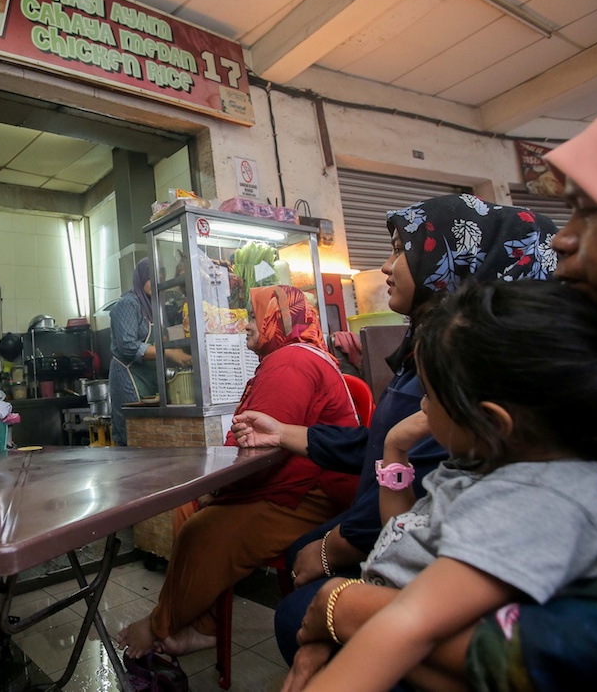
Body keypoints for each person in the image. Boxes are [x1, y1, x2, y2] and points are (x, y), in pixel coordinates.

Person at [284, 77, 597, 692]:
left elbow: (542, 650)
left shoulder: (514, 396)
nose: (562, 238)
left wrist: (336, 604)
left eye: (591, 211)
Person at [230, 194, 559, 668]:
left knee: (282, 596)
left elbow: (425, 484)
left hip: (403, 541)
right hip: (394, 526)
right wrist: (283, 433)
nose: (385, 266)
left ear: (453, 258)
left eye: (401, 249)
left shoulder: (469, 367)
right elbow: (384, 450)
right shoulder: (422, 348)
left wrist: (335, 558)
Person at [293, 278, 597, 692]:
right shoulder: (490, 460)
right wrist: (396, 448)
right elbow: (403, 533)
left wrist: (338, 616)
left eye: (430, 395)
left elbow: (410, 623)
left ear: (489, 421)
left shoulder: (535, 504)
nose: (421, 405)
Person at [116, 284, 361, 658]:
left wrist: (216, 489)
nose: (246, 322)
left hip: (310, 496)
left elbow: (260, 453)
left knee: (202, 529)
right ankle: (202, 625)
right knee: (190, 511)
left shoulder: (291, 362)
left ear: (277, 318)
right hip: (294, 484)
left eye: (254, 313)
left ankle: (160, 625)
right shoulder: (291, 357)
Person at [109, 257, 192, 445]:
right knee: (133, 433)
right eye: (151, 277)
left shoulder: (156, 307)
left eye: (160, 276)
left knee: (152, 434)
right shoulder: (128, 304)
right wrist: (169, 353)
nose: (156, 281)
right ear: (141, 278)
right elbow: (128, 345)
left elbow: (162, 338)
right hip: (130, 377)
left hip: (151, 378)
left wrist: (181, 353)